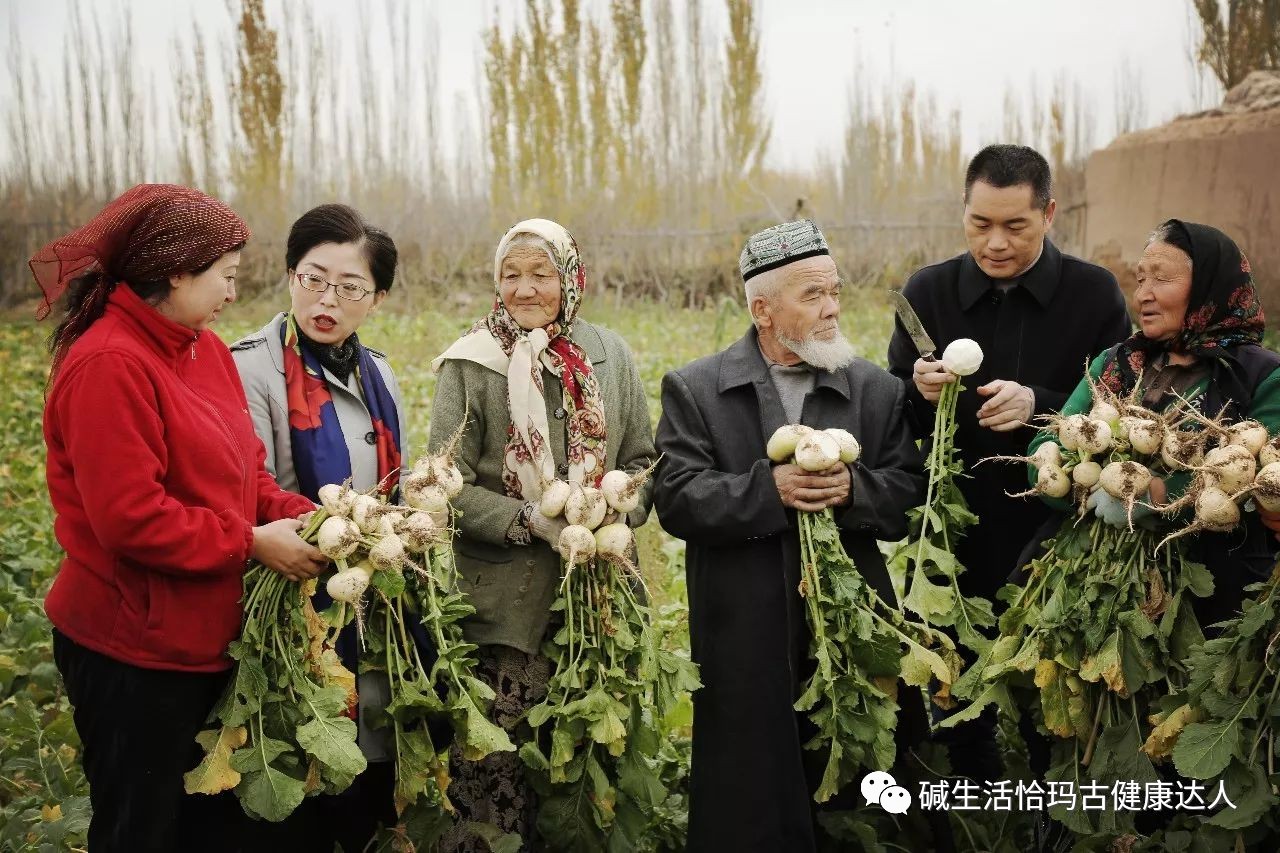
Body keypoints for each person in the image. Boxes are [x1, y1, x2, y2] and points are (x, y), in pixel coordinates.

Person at [34, 184, 326, 852]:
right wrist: (252, 543)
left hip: (203, 640)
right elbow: (131, 519)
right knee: (143, 827)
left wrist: (312, 518)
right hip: (131, 650)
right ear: (176, 272)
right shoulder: (110, 363)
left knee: (207, 828)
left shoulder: (205, 350)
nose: (232, 293)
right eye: (225, 276)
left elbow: (246, 474)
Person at [654, 220, 927, 852]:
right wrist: (766, 490)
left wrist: (856, 491)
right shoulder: (697, 389)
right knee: (749, 787)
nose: (832, 307)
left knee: (854, 780)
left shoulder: (875, 390)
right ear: (763, 309)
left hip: (851, 626)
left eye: (834, 291)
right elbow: (675, 498)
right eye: (812, 295)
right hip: (741, 626)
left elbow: (907, 493)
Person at [886, 143, 1131, 783]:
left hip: (1057, 526)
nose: (995, 243)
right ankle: (977, 791)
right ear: (963, 212)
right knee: (959, 677)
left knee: (1048, 681)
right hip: (954, 527)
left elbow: (1123, 413)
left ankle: (1051, 799)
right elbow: (895, 420)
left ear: (1049, 214)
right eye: (980, 224)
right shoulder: (928, 293)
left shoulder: (1093, 295)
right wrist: (918, 389)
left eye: (1015, 226)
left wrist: (1044, 407)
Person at [426, 218, 656, 850]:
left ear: (571, 279)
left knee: (587, 760)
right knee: (498, 765)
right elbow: (441, 484)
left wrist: (617, 507)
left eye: (540, 274)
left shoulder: (609, 354)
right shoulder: (471, 362)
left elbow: (642, 459)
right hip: (502, 601)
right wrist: (527, 521)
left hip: (600, 593)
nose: (523, 290)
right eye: (510, 274)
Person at [231, 203, 414, 850]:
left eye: (349, 286)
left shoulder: (379, 371)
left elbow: (397, 481)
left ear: (378, 297)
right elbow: (249, 485)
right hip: (289, 591)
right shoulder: (248, 366)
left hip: (367, 597)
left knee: (367, 755)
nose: (327, 298)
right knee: (302, 751)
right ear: (289, 276)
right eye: (314, 278)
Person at [1029, 219, 1280, 626]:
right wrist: (1075, 483)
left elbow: (1262, 482)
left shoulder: (1262, 376)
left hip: (1216, 594)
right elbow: (1045, 442)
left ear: (1209, 287)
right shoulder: (1117, 362)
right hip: (1097, 586)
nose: (1143, 294)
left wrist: (1157, 494)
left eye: (1162, 279)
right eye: (1140, 278)